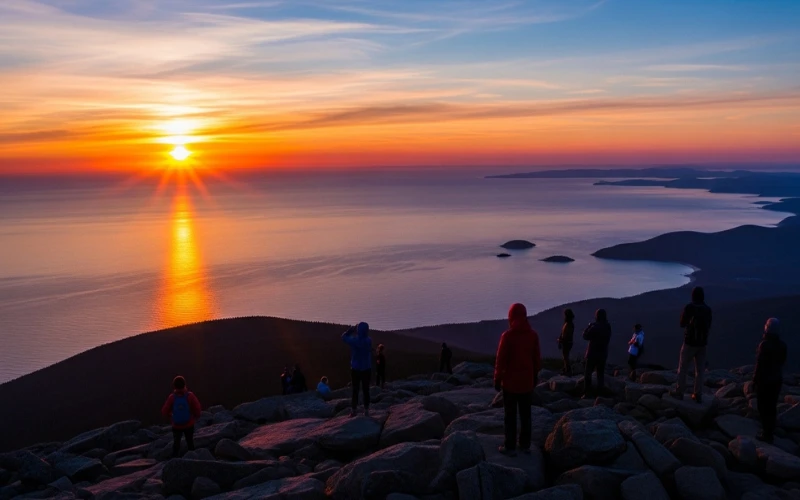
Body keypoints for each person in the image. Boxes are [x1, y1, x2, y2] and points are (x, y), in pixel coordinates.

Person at [494, 303, 541, 457]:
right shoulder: (532, 335)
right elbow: (536, 360)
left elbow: (500, 361)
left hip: (510, 384)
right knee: (526, 415)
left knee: (510, 416)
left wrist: (497, 379)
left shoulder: (507, 336)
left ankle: (510, 446)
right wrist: (535, 376)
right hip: (527, 382)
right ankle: (525, 444)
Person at [672, 287, 713, 403]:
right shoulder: (707, 309)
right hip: (702, 344)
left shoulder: (689, 307)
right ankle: (697, 394)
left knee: (683, 368)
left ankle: (679, 392)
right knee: (700, 370)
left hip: (689, 342)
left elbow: (682, 323)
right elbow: (709, 325)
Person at [754, 318, 787, 443]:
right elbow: (782, 362)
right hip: (777, 379)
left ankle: (766, 433)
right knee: (772, 406)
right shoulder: (783, 345)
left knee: (762, 406)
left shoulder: (764, 345)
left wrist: (754, 380)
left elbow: (759, 364)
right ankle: (770, 432)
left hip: (765, 380)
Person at [161, 376, 202, 458]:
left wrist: (171, 415)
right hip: (189, 424)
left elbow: (164, 411)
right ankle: (193, 459)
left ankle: (175, 460)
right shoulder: (190, 396)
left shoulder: (172, 397)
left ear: (174, 386)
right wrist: (195, 416)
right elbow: (197, 409)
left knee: (176, 443)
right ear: (184, 385)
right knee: (190, 442)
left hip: (176, 425)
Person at [343, 322, 373, 417]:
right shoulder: (369, 340)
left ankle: (354, 410)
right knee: (366, 390)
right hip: (366, 368)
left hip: (355, 369)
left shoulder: (354, 341)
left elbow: (343, 337)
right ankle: (367, 410)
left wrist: (351, 330)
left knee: (355, 390)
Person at [582, 309, 612, 397]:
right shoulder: (608, 326)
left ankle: (587, 393)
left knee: (588, 373)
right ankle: (600, 393)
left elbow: (585, 336)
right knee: (600, 374)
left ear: (597, 316)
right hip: (603, 354)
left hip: (592, 353)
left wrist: (588, 327)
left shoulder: (595, 327)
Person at [558, 309, 575, 375]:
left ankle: (568, 370)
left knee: (566, 357)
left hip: (567, 343)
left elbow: (566, 335)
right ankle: (566, 369)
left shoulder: (569, 324)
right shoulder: (568, 324)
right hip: (567, 342)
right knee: (565, 356)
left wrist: (561, 340)